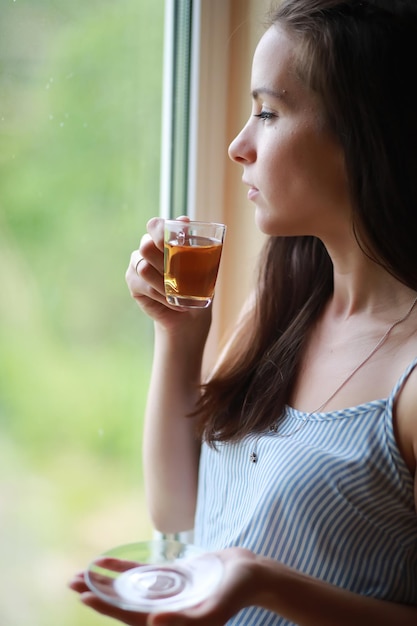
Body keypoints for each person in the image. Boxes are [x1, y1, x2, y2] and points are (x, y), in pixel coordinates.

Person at [69, 0, 417, 624]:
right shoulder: (285, 305)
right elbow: (181, 515)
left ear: (365, 136)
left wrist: (264, 584)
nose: (238, 146)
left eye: (268, 113)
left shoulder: (409, 383)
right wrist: (180, 335)